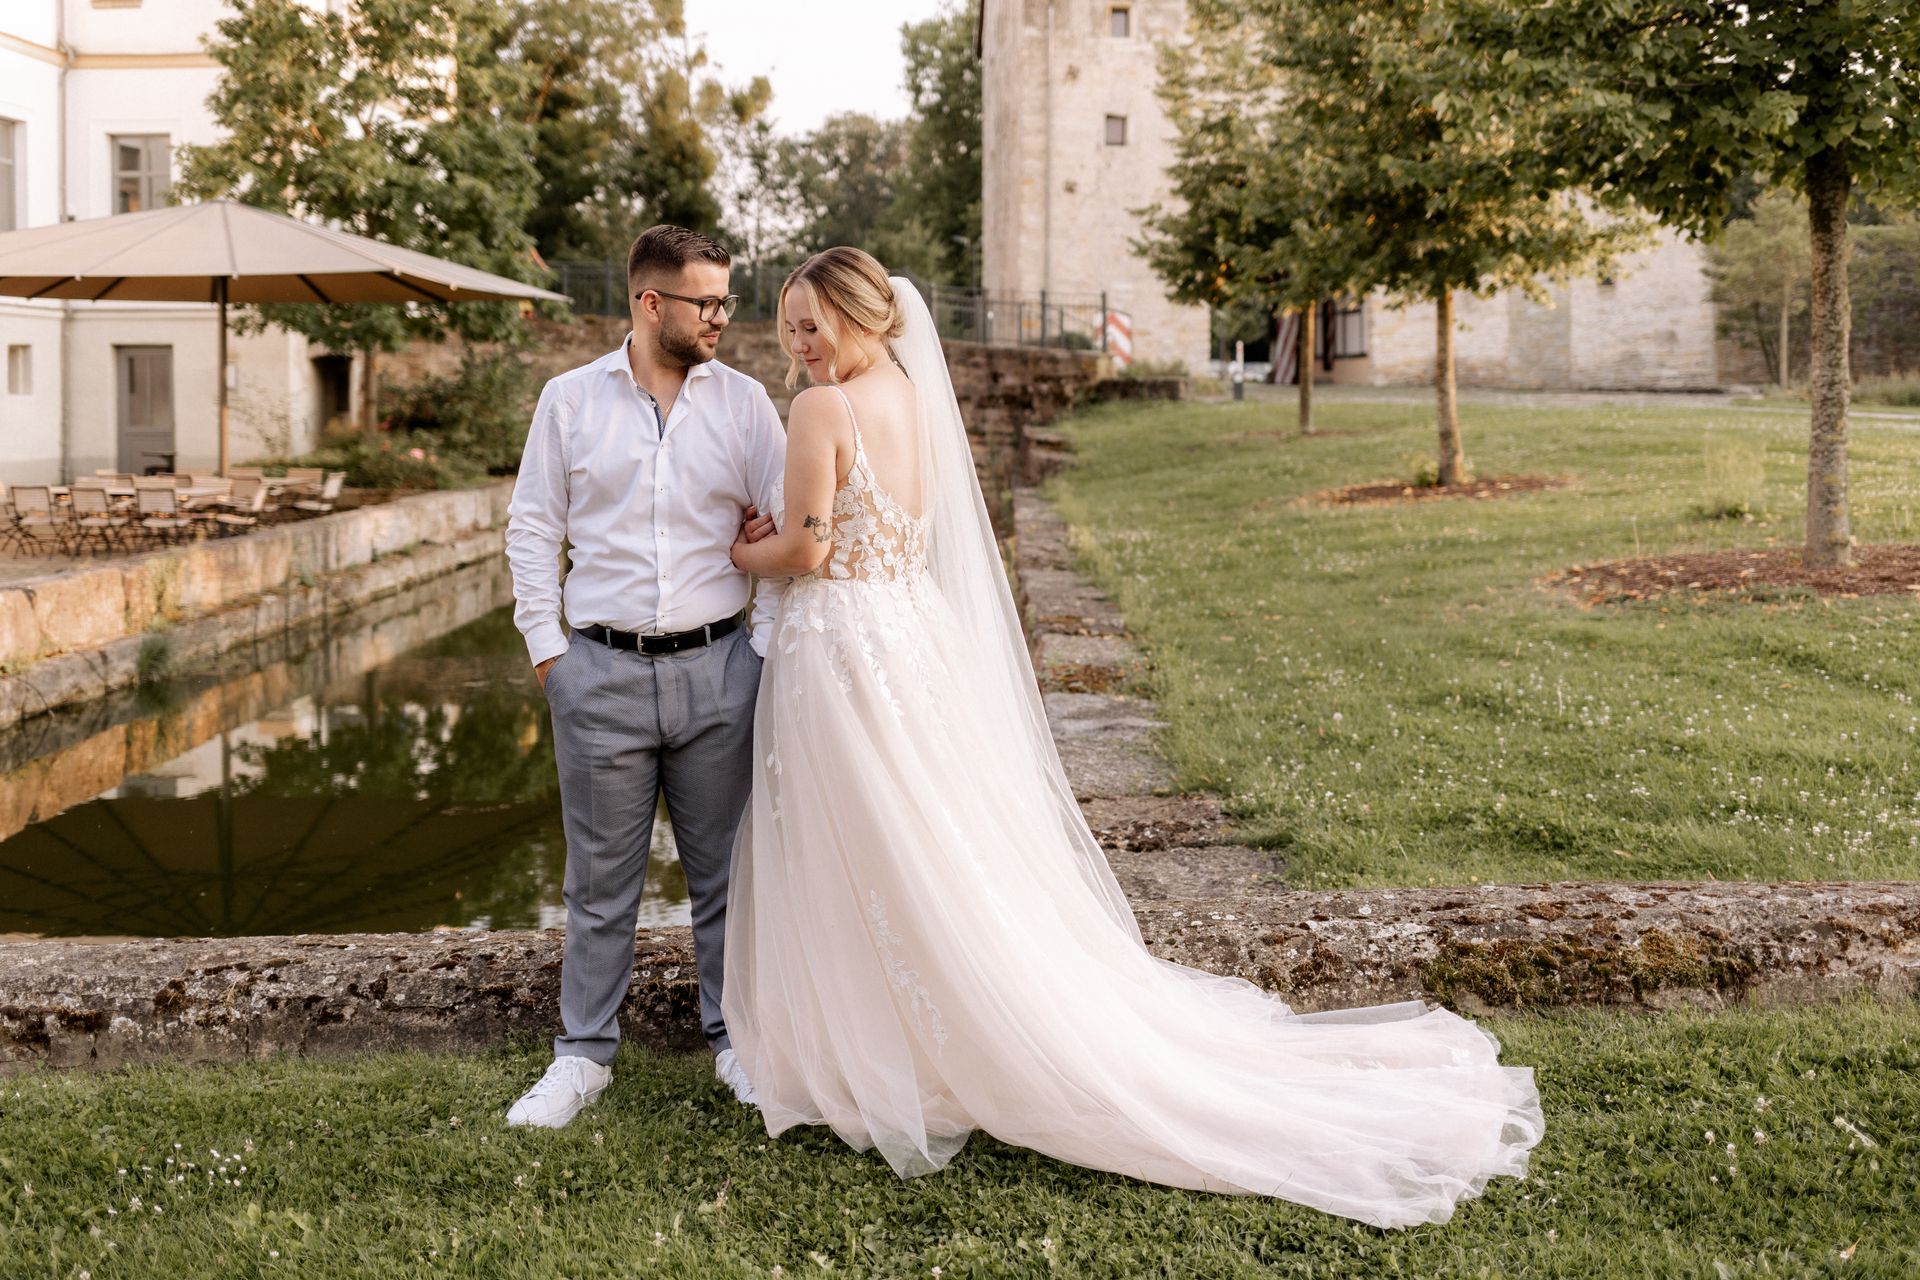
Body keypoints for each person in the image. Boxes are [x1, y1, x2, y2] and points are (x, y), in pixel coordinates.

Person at [720, 247, 1543, 1229]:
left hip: (846, 644)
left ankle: (881, 1048)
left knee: (863, 844)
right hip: (908, 635)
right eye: (787, 328)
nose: (799, 346)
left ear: (864, 318)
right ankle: (915, 1032)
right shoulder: (911, 392)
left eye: (812, 324)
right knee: (925, 844)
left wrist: (740, 549)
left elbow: (808, 548)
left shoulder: (822, 410)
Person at [502, 224, 783, 1128]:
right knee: (598, 884)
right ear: (650, 302)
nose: (722, 318)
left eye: (726, 300)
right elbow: (534, 529)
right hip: (600, 674)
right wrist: (551, 654)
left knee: (728, 879)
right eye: (706, 302)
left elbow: (788, 530)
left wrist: (762, 651)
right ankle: (583, 1057)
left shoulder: (745, 405)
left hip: (719, 671)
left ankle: (736, 1043)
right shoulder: (570, 401)